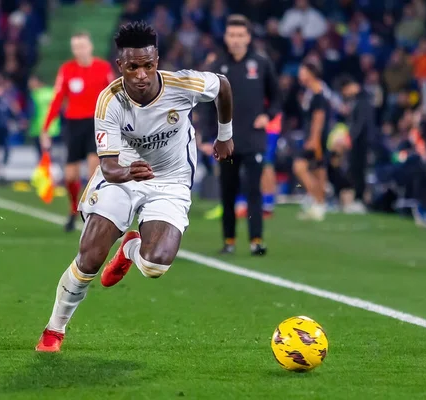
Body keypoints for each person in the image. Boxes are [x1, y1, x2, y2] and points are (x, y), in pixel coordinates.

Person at [35, 21, 235, 352]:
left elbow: (223, 86)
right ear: (120, 66)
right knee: (91, 255)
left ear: (156, 60)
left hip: (170, 180)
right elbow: (109, 166)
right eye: (132, 67)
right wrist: (127, 172)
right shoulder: (109, 101)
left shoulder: (183, 84)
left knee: (155, 265)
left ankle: (130, 248)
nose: (141, 74)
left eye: (148, 65)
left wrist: (225, 135)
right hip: (124, 175)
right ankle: (55, 329)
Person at [204, 15, 281, 255]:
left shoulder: (261, 63)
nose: (236, 40)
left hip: (253, 138)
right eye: (232, 35)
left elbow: (277, 97)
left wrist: (268, 115)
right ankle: (229, 241)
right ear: (226, 37)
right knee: (227, 191)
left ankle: (256, 240)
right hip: (226, 141)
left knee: (254, 190)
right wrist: (208, 137)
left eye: (240, 35)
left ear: (248, 37)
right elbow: (207, 104)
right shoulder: (217, 67)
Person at [41, 31, 115, 232]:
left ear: (90, 47)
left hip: (96, 124)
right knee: (71, 176)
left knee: (93, 172)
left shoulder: (103, 68)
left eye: (82, 46)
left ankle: (93, 213)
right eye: (75, 47)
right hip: (73, 125)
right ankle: (73, 209)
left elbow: (115, 96)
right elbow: (57, 98)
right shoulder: (67, 69)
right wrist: (46, 128)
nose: (79, 50)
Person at [293, 61, 330, 221]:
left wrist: (314, 139)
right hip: (314, 137)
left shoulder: (318, 92)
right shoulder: (309, 92)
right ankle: (319, 205)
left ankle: (316, 199)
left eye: (302, 71)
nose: (299, 75)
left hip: (316, 138)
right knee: (317, 171)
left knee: (299, 167)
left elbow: (319, 117)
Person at [338, 75, 375, 214]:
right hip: (359, 141)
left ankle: (360, 200)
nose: (345, 95)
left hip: (363, 142)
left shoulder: (363, 99)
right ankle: (357, 199)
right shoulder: (358, 100)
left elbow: (361, 123)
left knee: (360, 170)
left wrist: (350, 138)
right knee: (355, 170)